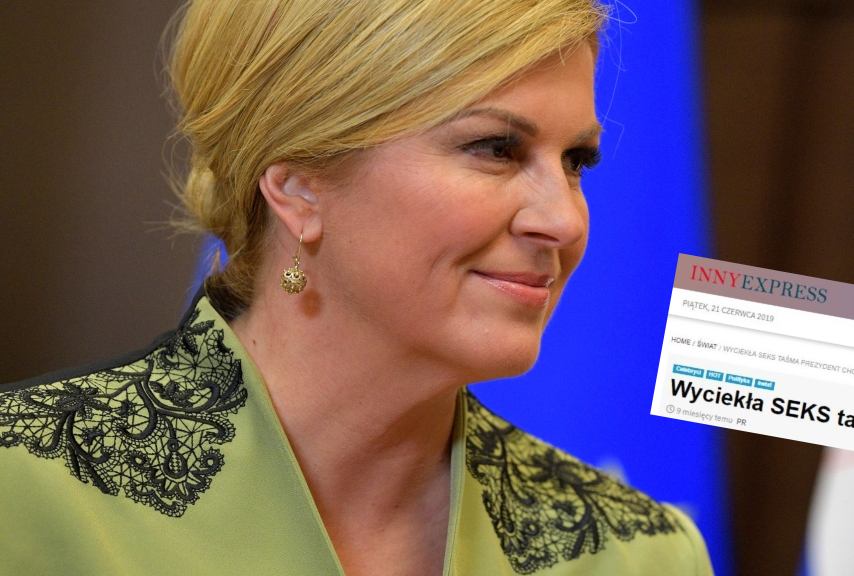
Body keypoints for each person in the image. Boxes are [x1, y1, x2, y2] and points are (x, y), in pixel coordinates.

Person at [0, 1, 713, 574]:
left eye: (576, 162)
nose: (565, 220)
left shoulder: (635, 554)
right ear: (297, 187)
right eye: (496, 149)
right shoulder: (24, 492)